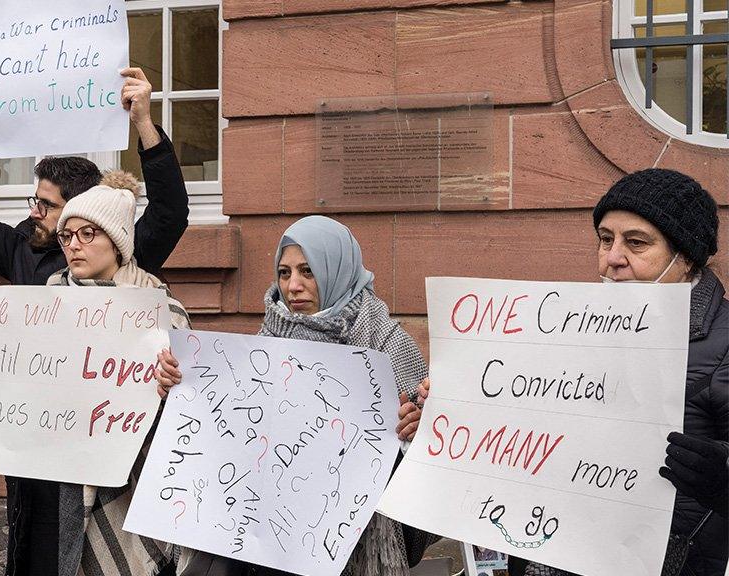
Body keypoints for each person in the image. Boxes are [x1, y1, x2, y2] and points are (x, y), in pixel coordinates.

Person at [400, 168, 728, 576]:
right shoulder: (568, 330)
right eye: (605, 239)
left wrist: (722, 480)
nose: (613, 258)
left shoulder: (723, 343)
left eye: (637, 243)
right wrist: (449, 419)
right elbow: (521, 442)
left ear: (686, 257)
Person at [0, 66, 189, 576]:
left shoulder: (133, 273)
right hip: (38, 461)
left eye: (47, 207)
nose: (36, 216)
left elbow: (171, 210)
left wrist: (144, 124)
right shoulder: (24, 252)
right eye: (58, 224)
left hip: (108, 470)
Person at [156, 215, 435, 576]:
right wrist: (179, 387)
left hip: (347, 540)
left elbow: (428, 452)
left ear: (338, 269)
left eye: (308, 271)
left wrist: (417, 426)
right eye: (285, 273)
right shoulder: (264, 343)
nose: (294, 286)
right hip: (266, 538)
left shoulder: (387, 343)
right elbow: (226, 428)